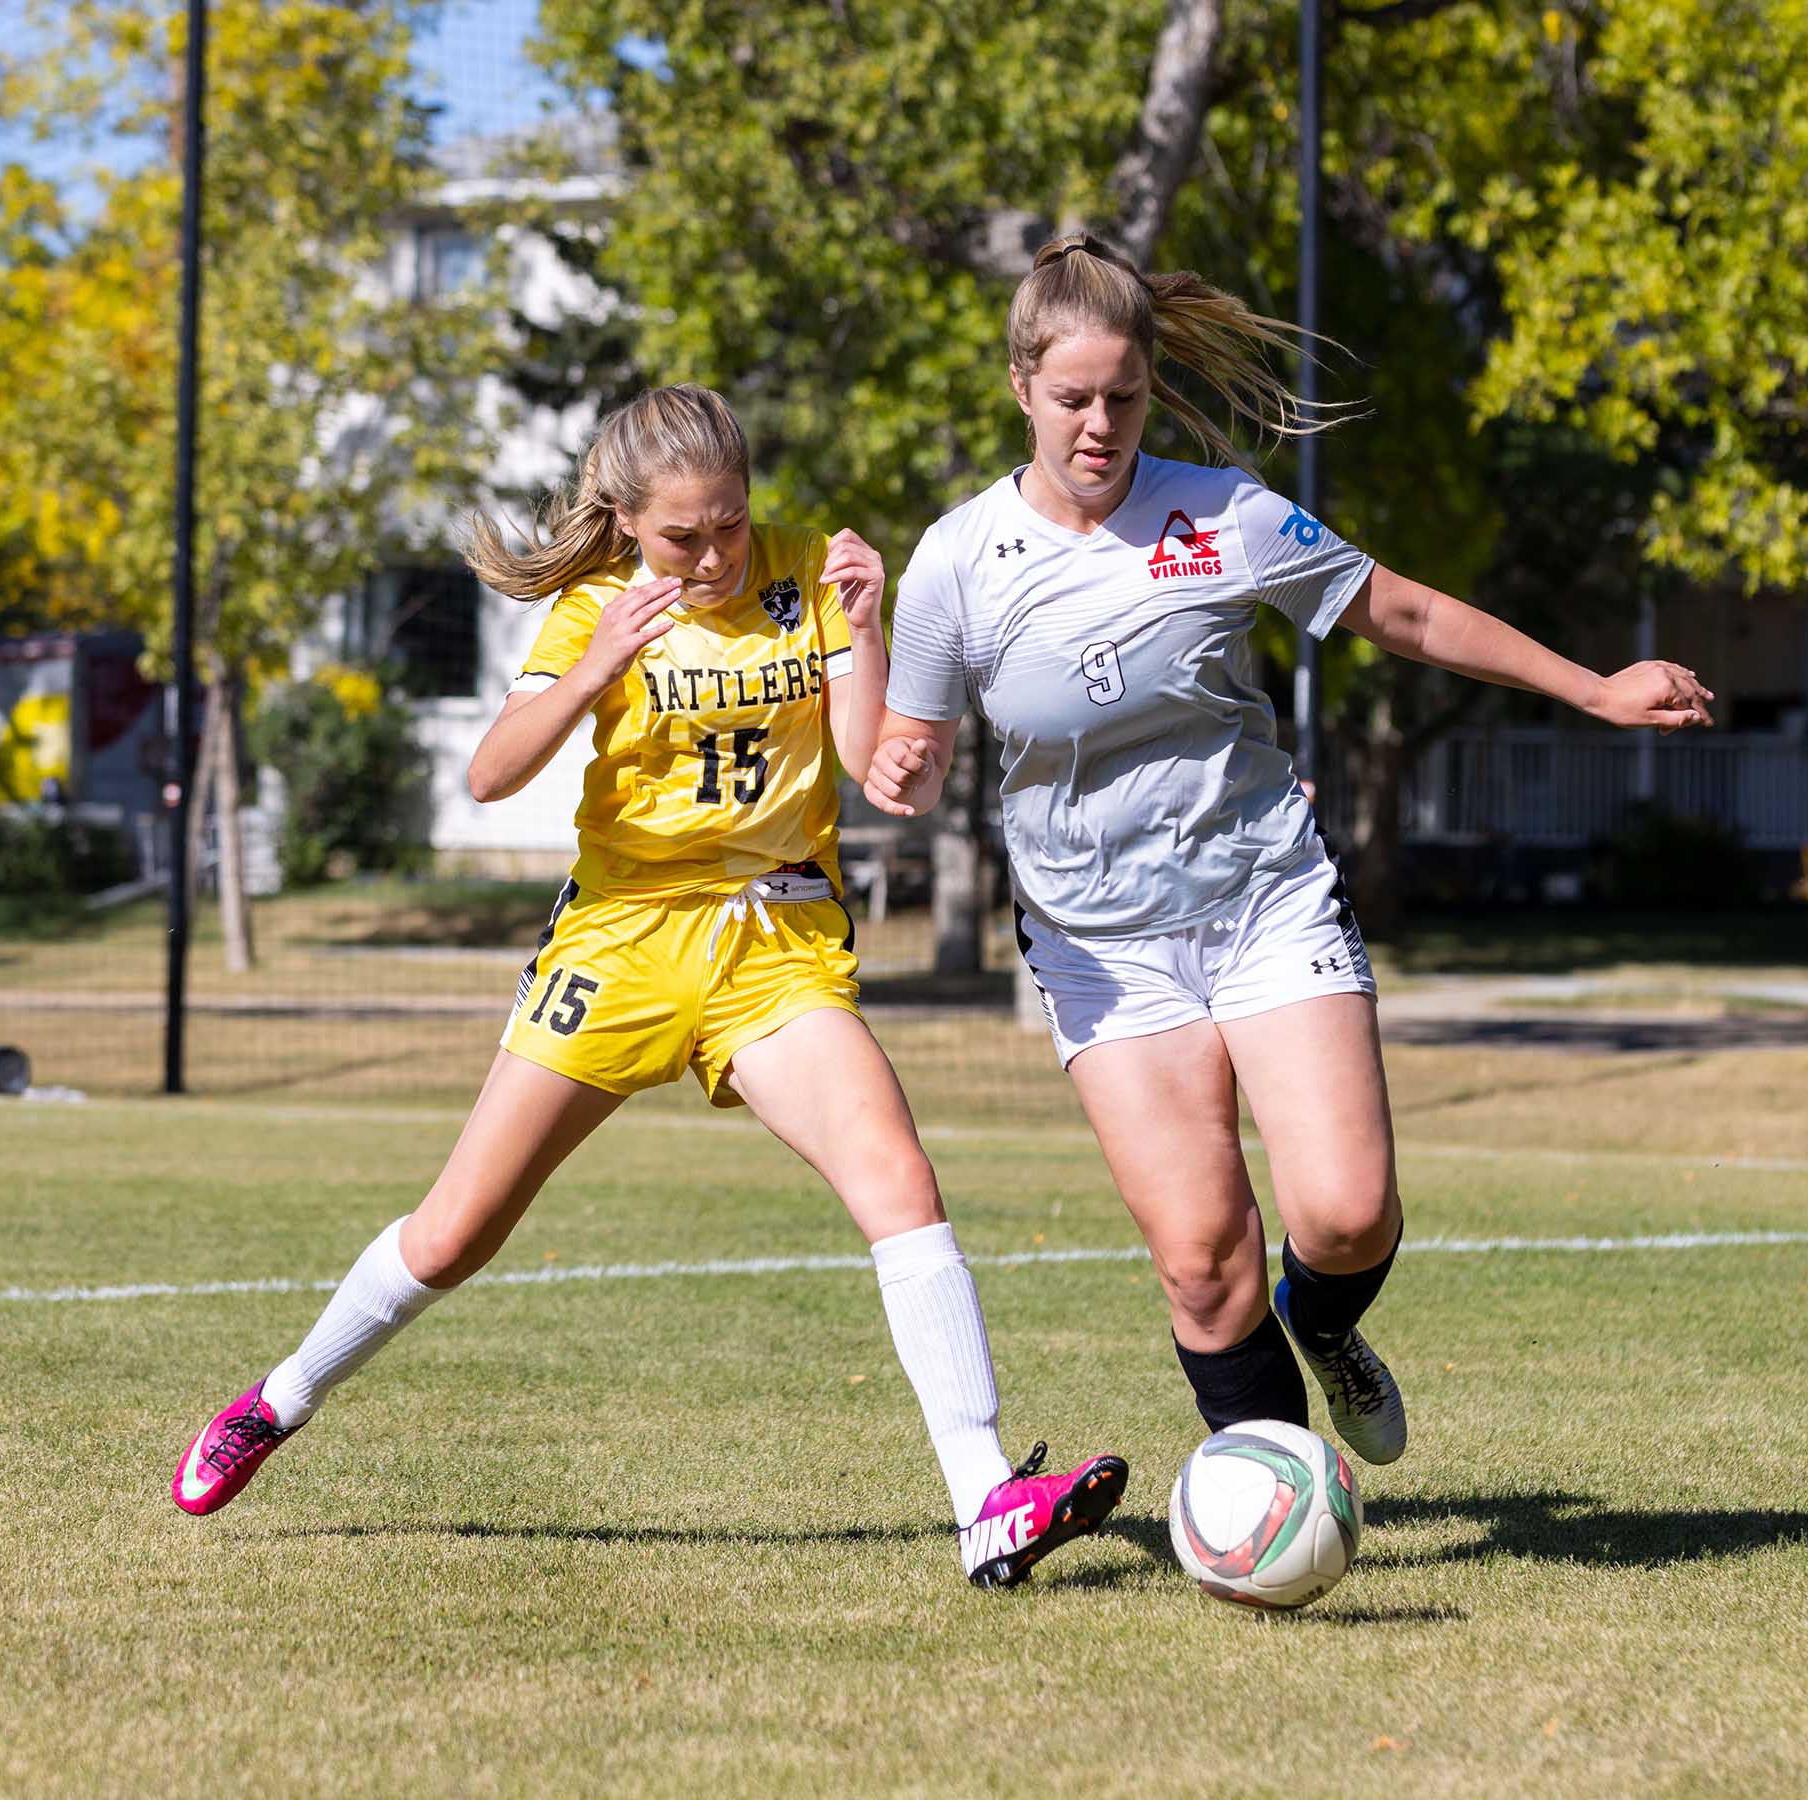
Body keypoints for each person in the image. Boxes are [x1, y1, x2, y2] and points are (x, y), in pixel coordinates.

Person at [169, 385, 1124, 1589]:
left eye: (729, 523)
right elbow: (488, 776)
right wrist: (593, 665)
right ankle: (280, 1397)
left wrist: (867, 627)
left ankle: (985, 1499)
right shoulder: (590, 611)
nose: (716, 554)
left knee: (897, 1176)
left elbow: (876, 769)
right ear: (624, 521)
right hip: (618, 946)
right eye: (685, 536)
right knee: (456, 1231)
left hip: (772, 942)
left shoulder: (802, 573)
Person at [866, 238, 1712, 1466]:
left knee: (1347, 1212)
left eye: (1124, 396)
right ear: (1019, 390)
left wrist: (1591, 689)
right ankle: (1278, 1491)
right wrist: (901, 761)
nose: (1099, 425)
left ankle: (1325, 1324)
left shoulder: (1223, 513)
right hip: (1101, 949)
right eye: (1072, 399)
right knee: (1203, 1261)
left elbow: (1404, 610)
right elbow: (918, 739)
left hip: (1263, 898)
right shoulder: (954, 560)